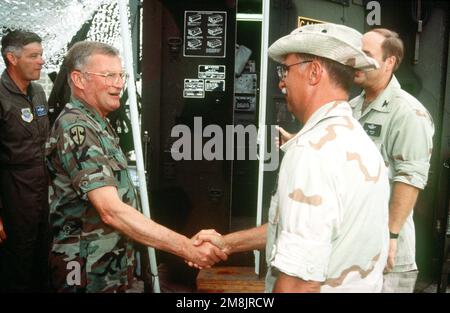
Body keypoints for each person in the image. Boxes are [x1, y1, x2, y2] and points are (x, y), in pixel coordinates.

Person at [192, 23, 390, 292]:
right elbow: (306, 228)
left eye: (286, 69)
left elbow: (299, 283)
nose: (281, 81)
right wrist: (227, 243)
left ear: (314, 72)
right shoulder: (359, 141)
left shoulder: (311, 153)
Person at [45, 41, 227, 293]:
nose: (119, 83)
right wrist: (185, 247)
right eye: (108, 75)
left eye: (121, 75)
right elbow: (110, 210)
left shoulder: (97, 124)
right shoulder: (77, 128)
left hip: (108, 265)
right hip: (86, 269)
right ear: (79, 79)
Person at [350, 28, 434, 293]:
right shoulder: (350, 107)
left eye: (366, 54)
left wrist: (391, 235)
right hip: (351, 251)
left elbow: (410, 178)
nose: (357, 60)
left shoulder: (408, 113)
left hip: (387, 255)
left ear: (389, 62)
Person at [0, 30, 50, 292]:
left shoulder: (39, 92)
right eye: (34, 56)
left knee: (43, 261)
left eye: (41, 54)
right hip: (13, 194)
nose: (41, 61)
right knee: (16, 265)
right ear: (12, 58)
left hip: (42, 194)